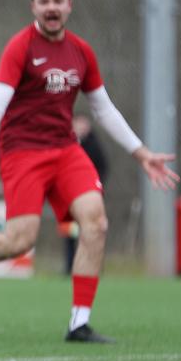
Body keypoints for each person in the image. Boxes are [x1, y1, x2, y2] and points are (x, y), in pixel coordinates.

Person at [0, 0, 179, 343]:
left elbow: (103, 109)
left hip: (66, 151)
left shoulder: (81, 51)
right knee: (20, 240)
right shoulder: (19, 47)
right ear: (33, 7)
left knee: (96, 223)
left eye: (57, 1)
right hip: (22, 153)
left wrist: (141, 153)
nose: (51, 7)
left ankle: (78, 323)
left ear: (69, 5)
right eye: (43, 1)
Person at [60, 113, 108, 274]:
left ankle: (92, 269)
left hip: (88, 196)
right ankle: (69, 267)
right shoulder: (65, 143)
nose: (80, 128)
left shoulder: (93, 145)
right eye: (77, 124)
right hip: (68, 198)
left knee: (91, 231)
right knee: (70, 233)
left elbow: (103, 167)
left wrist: (95, 187)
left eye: (83, 124)